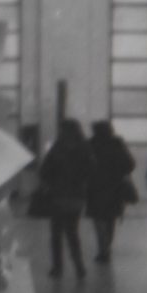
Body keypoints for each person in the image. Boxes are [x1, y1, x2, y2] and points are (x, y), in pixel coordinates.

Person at [39, 119, 92, 279]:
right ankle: (79, 266)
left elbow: (44, 170)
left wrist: (51, 182)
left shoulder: (58, 148)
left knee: (56, 233)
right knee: (72, 232)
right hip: (77, 196)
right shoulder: (85, 148)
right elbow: (91, 169)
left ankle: (57, 267)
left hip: (59, 195)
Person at [86, 120, 136, 262]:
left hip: (95, 187)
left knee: (98, 218)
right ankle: (107, 246)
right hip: (115, 187)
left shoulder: (90, 144)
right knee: (110, 219)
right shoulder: (117, 143)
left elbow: (83, 165)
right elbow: (130, 164)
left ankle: (103, 249)